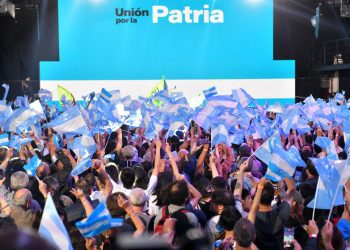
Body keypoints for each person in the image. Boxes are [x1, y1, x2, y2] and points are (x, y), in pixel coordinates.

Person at [254, 177, 296, 250]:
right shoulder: (281, 212)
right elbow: (292, 189)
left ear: (256, 196)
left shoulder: (250, 219)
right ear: (273, 197)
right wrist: (285, 169)